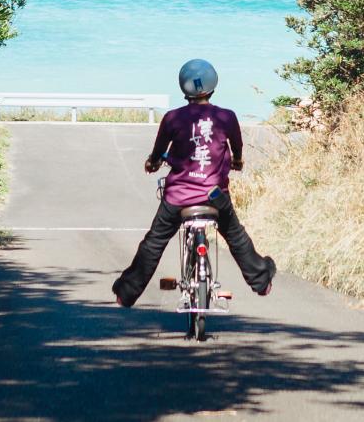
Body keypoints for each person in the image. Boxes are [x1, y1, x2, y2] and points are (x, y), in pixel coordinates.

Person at [113, 58, 276, 307]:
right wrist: (238, 161)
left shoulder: (172, 118)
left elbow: (158, 152)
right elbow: (237, 147)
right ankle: (261, 281)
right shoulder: (226, 117)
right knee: (236, 236)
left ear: (183, 88)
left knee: (154, 242)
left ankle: (126, 293)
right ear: (212, 86)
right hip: (214, 197)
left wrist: (153, 162)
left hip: (177, 198)